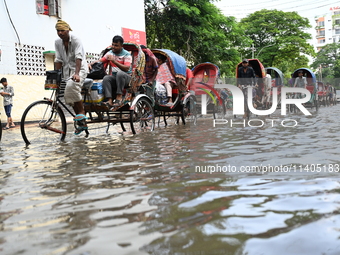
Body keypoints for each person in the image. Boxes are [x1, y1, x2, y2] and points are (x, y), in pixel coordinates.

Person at [54, 20, 89, 135]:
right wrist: (55, 75)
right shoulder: (57, 43)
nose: (60, 33)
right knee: (66, 93)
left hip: (80, 69)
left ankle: (82, 112)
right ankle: (80, 120)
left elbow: (78, 57)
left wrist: (77, 74)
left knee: (71, 86)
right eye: (58, 31)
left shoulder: (76, 40)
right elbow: (58, 60)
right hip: (67, 72)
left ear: (68, 30)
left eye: (62, 30)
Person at [89, 35, 132, 109]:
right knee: (106, 78)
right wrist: (91, 63)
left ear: (121, 46)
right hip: (115, 78)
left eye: (116, 45)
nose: (113, 47)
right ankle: (109, 100)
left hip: (126, 79)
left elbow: (126, 69)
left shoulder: (127, 54)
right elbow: (100, 61)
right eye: (113, 44)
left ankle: (119, 96)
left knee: (120, 73)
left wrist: (114, 61)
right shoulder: (110, 53)